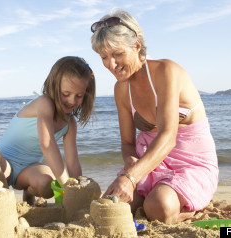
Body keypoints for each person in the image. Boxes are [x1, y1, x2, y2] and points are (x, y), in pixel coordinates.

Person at [90, 9, 218, 223]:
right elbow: (127, 142)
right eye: (104, 57)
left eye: (118, 54)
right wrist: (130, 161)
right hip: (148, 160)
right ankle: (156, 194)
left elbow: (168, 137)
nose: (111, 65)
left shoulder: (167, 71)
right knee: (112, 208)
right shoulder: (121, 89)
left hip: (190, 163)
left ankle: (190, 209)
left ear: (137, 46)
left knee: (156, 206)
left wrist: (130, 178)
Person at [0, 56, 96, 204]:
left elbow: (73, 162)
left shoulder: (70, 124)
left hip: (28, 171)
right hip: (3, 165)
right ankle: (6, 202)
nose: (71, 100)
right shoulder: (44, 103)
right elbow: (47, 144)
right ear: (54, 86)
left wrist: (77, 190)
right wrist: (66, 185)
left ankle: (29, 193)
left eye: (79, 96)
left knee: (47, 185)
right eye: (66, 94)